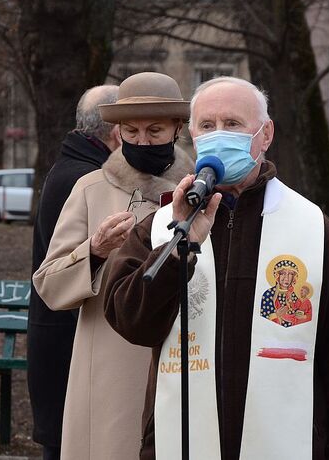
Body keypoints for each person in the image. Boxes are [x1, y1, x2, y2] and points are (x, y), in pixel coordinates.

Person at [103, 76, 329, 459]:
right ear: (194, 137)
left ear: (264, 135)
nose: (219, 135)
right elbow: (131, 322)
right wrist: (178, 250)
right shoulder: (160, 226)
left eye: (232, 124)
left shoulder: (314, 229)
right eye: (207, 125)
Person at [32, 72, 193, 460]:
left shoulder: (202, 190)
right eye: (131, 131)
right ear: (117, 132)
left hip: (188, 361)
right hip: (112, 370)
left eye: (154, 130)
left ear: (177, 129)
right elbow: (48, 284)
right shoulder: (89, 189)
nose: (142, 140)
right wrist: (95, 250)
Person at [27, 84, 120, 460]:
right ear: (116, 132)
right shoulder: (87, 181)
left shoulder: (69, 167)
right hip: (69, 338)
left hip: (59, 335)